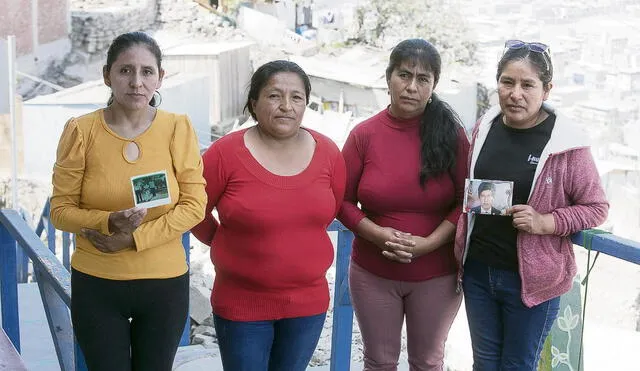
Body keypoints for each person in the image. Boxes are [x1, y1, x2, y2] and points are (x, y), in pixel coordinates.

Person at [50, 31, 207, 371]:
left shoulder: (177, 128)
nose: (136, 82)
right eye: (125, 71)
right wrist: (106, 221)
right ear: (107, 75)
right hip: (98, 285)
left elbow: (194, 205)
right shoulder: (81, 131)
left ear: (160, 77)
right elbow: (60, 211)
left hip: (163, 285)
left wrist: (134, 237)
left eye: (147, 72)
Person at [454, 39, 609, 370]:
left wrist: (546, 222)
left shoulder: (566, 143)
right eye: (507, 82)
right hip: (478, 271)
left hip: (532, 282)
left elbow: (596, 207)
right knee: (483, 365)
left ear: (547, 89)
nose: (515, 93)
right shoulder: (484, 127)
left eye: (528, 84)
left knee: (518, 366)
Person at [191, 60, 346, 371]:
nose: (286, 106)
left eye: (297, 97)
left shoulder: (329, 153)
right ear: (254, 103)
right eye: (274, 95)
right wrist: (226, 243)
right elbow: (196, 211)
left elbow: (332, 208)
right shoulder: (224, 154)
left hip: (307, 304)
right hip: (241, 303)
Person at [337, 39, 470, 371]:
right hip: (372, 273)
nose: (412, 86)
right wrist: (377, 234)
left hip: (437, 275)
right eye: (404, 75)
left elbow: (468, 199)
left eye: (422, 79)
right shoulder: (363, 135)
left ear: (433, 85)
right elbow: (340, 200)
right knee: (379, 362)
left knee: (427, 362)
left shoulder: (451, 135)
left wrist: (428, 244)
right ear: (388, 77)